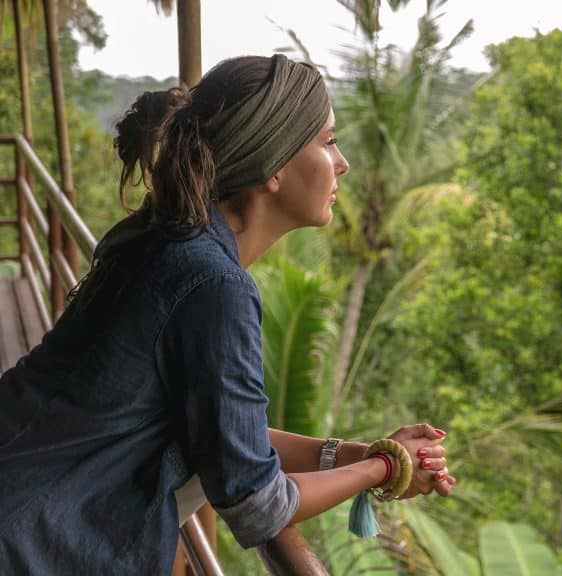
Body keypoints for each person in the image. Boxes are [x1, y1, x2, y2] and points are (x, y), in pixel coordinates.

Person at [0, 54, 456, 574]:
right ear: (274, 166)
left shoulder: (162, 239)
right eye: (328, 141)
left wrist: (355, 455)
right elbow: (257, 506)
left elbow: (226, 433)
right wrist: (382, 467)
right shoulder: (215, 286)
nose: (343, 162)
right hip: (27, 542)